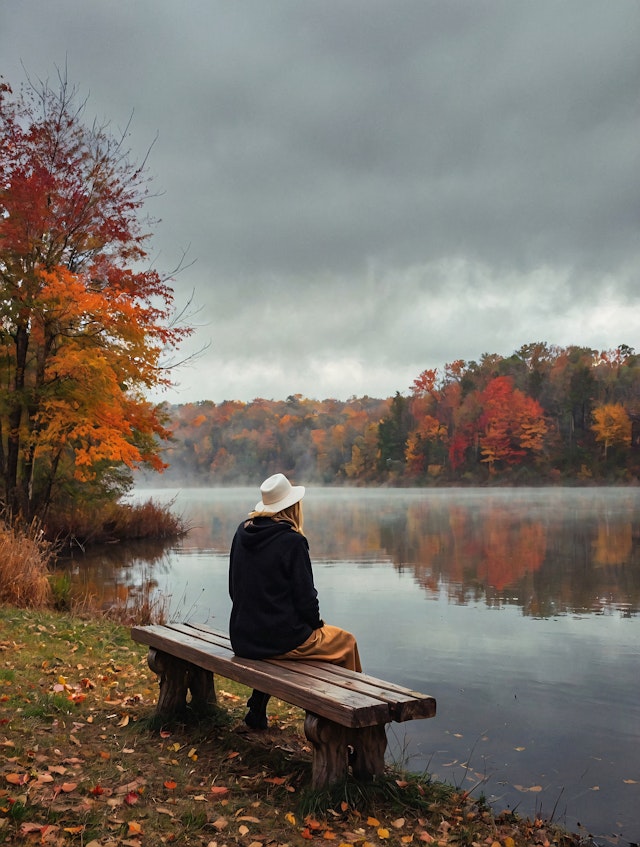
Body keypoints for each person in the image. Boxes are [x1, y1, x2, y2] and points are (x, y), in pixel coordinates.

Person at [229, 472, 361, 729]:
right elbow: (306, 602)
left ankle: (257, 709)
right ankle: (349, 724)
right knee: (346, 642)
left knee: (277, 627)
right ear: (293, 507)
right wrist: (316, 623)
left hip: (243, 637)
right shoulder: (292, 541)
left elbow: (235, 590)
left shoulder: (242, 533)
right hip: (278, 641)